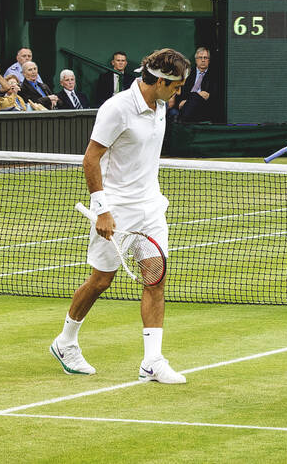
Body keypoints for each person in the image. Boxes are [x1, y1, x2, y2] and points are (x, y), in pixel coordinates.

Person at [50, 48, 190, 381]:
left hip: (151, 207)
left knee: (155, 280)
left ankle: (152, 361)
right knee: (101, 280)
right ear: (158, 81)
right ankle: (65, 341)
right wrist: (102, 210)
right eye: (175, 87)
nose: (178, 93)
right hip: (116, 209)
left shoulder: (160, 106)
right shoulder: (117, 109)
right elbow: (90, 159)